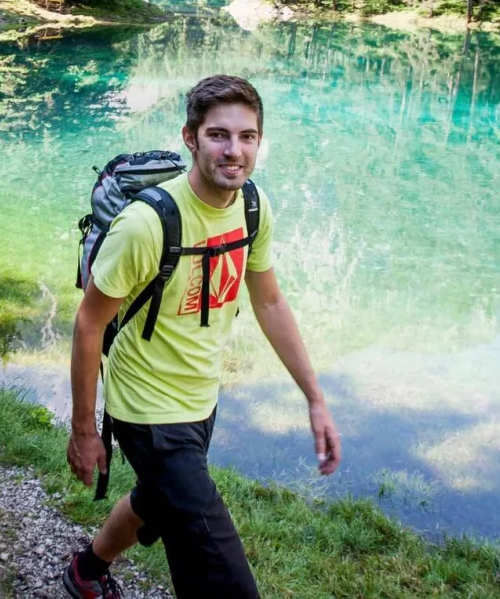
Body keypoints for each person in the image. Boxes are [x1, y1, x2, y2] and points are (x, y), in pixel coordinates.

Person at [61, 75, 342, 599]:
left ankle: (87, 571)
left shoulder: (253, 207)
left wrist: (315, 398)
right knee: (223, 579)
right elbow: (89, 322)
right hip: (145, 410)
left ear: (259, 141)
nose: (233, 150)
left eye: (247, 136)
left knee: (157, 500)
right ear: (190, 138)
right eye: (218, 135)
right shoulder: (147, 224)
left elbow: (270, 302)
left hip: (200, 399)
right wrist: (84, 430)